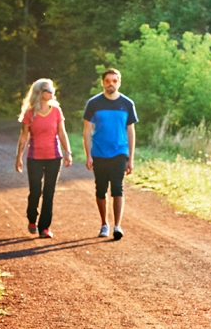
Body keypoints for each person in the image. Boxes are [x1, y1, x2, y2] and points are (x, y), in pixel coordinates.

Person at [83, 68, 138, 240]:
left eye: (114, 81)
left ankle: (117, 226)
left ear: (119, 82)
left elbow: (131, 131)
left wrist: (131, 158)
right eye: (108, 81)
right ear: (103, 83)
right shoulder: (94, 103)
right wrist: (88, 155)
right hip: (99, 152)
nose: (111, 84)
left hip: (120, 151)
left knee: (117, 187)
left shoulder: (127, 104)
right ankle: (104, 224)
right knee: (101, 189)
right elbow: (86, 130)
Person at [16, 78, 74, 238]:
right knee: (35, 191)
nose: (51, 93)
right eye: (48, 90)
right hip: (34, 157)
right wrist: (18, 157)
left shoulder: (56, 111)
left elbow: (62, 133)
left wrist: (68, 152)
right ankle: (32, 219)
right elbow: (23, 136)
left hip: (54, 157)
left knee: (49, 192)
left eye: (52, 90)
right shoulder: (30, 114)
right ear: (39, 92)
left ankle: (44, 228)